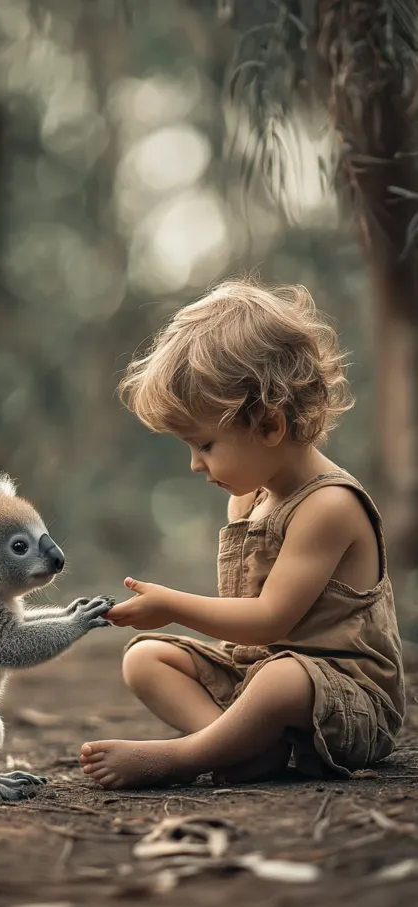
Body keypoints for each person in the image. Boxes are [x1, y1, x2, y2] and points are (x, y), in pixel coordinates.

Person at [79, 279, 405, 789]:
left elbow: (269, 619)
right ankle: (241, 749)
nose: (195, 464)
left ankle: (185, 756)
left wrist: (175, 605)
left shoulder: (328, 506)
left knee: (281, 679)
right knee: (146, 657)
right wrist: (165, 620)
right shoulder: (249, 498)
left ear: (269, 426)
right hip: (257, 672)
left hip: (344, 702)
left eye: (205, 444)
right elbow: (251, 640)